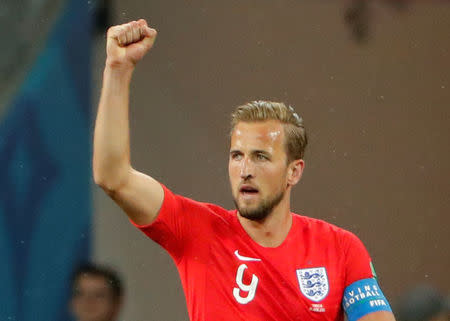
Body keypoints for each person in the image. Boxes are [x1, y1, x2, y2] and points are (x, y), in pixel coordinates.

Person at [93, 18, 397, 321]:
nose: (245, 169)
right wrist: (118, 71)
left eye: (261, 157)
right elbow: (113, 178)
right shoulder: (197, 231)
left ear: (294, 171)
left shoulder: (339, 248)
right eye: (237, 155)